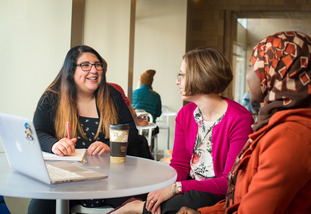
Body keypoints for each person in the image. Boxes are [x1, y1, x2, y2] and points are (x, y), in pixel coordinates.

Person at [177, 31, 311, 214]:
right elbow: (241, 195)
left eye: (252, 66)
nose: (248, 75)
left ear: (277, 72)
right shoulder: (276, 123)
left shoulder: (290, 137)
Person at [112, 47, 254, 214]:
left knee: (186, 200)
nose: (177, 82)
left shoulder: (240, 118)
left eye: (181, 75)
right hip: (188, 189)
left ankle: (134, 208)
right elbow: (179, 166)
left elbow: (229, 182)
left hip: (217, 195)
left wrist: (175, 189)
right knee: (156, 197)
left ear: (200, 76)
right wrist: (162, 192)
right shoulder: (185, 115)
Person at [28, 45, 151, 214]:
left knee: (141, 207)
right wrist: (54, 145)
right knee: (39, 208)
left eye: (97, 65)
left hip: (111, 179)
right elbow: (38, 133)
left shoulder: (113, 95)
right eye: (85, 65)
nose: (94, 70)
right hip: (67, 180)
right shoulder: (52, 96)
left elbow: (132, 135)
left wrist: (110, 145)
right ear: (71, 70)